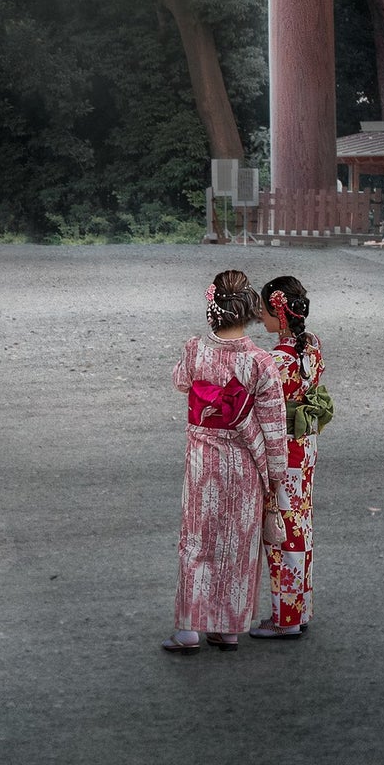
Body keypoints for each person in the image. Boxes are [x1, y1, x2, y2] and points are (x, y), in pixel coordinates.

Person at [164, 269, 289, 653]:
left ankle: (189, 629)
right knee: (237, 542)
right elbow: (273, 427)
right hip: (244, 464)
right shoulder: (261, 363)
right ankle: (229, 628)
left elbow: (180, 382)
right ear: (250, 310)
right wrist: (277, 477)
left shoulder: (194, 350)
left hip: (202, 459)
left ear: (212, 309)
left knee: (197, 540)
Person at [252, 274, 326, 638]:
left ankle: (286, 619)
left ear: (279, 311)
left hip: (285, 448)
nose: (259, 316)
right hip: (307, 443)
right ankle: (301, 609)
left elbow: (261, 402)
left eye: (264, 310)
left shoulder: (274, 361)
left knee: (280, 530)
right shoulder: (311, 346)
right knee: (302, 525)